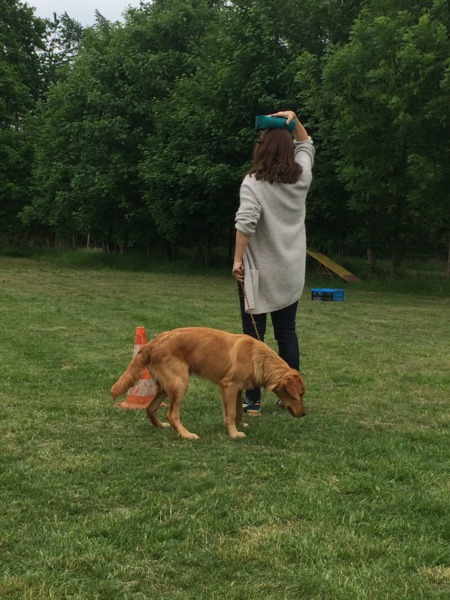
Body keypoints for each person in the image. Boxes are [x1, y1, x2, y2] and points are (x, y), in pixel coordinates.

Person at [232, 110, 315, 415]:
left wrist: (237, 259)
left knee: (252, 338)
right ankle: (288, 394)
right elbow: (307, 145)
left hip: (257, 272)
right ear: (288, 150)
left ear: (263, 148)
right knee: (286, 332)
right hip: (290, 271)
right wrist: (295, 121)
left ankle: (252, 399)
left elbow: (246, 222)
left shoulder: (253, 182)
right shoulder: (301, 177)